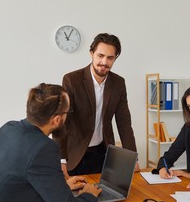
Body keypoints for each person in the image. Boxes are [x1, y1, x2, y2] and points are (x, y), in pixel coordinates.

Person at [53, 33, 139, 176]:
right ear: (91, 53)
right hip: (75, 154)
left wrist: (132, 158)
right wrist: (61, 160)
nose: (104, 62)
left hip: (104, 152)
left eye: (110, 58)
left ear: (115, 58)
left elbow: (124, 122)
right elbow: (62, 122)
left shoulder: (118, 83)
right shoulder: (71, 80)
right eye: (100, 55)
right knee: (74, 195)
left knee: (105, 195)